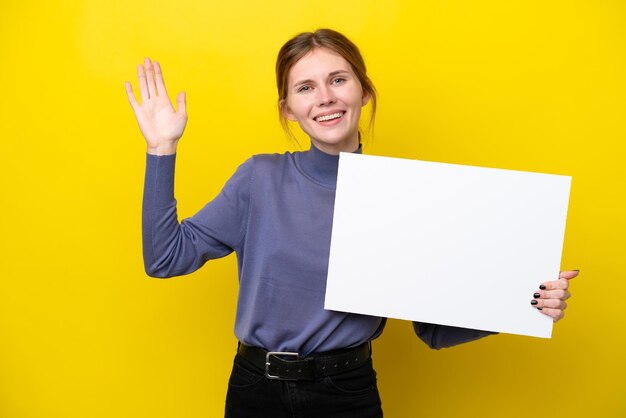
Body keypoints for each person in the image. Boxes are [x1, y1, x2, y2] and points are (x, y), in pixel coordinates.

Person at [125, 28, 578, 418]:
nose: (325, 97)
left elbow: (434, 330)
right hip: (255, 391)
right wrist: (162, 149)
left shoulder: (400, 197)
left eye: (338, 80)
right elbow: (165, 258)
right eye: (305, 88)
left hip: (346, 393)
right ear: (288, 110)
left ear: (363, 91)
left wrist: (527, 301)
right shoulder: (259, 178)